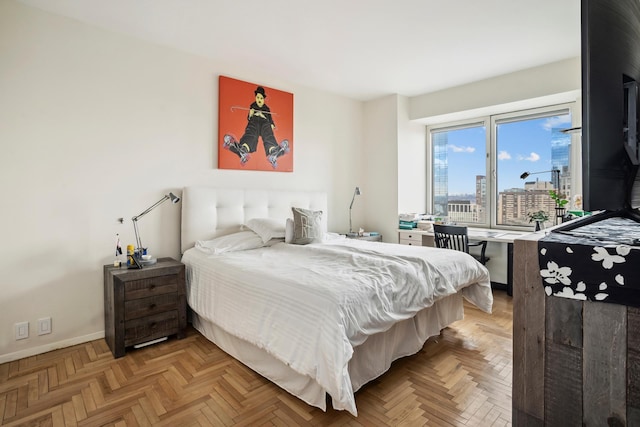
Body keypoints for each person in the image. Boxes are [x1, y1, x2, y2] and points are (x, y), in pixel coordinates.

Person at [226, 86, 283, 165]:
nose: (259, 100)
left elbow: (270, 119)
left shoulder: (267, 108)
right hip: (254, 121)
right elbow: (249, 118)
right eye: (258, 97)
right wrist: (251, 114)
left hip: (264, 122)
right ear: (255, 98)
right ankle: (244, 148)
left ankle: (272, 150)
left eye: (261, 98)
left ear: (264, 99)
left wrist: (272, 124)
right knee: (251, 132)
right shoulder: (253, 105)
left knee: (268, 133)